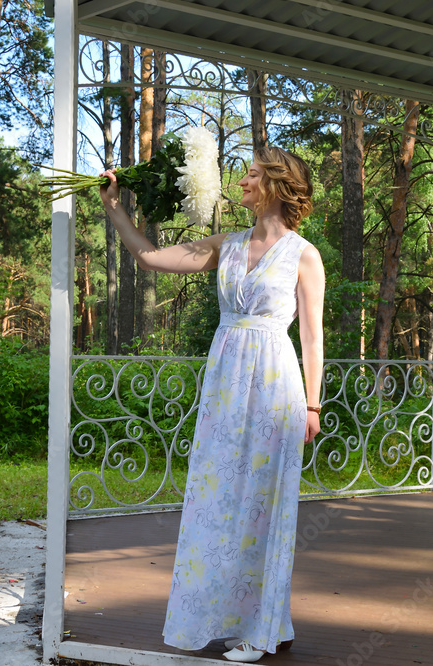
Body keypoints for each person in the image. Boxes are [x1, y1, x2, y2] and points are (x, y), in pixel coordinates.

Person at [99, 146, 325, 663]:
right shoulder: (226, 245)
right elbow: (150, 257)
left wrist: (312, 407)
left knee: (265, 506)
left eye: (250, 175)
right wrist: (116, 210)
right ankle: (262, 619)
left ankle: (259, 627)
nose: (241, 182)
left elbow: (312, 340)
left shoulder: (304, 256)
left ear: (276, 185)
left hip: (274, 387)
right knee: (219, 499)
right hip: (225, 384)